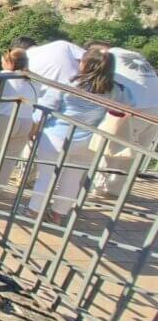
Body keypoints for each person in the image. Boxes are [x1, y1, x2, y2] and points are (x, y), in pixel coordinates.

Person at [26, 48, 131, 223]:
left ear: (85, 64)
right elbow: (126, 107)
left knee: (46, 175)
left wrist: (34, 128)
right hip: (89, 140)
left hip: (56, 136)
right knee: (73, 180)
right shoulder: (116, 90)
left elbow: (45, 108)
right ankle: (58, 215)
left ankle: (34, 211)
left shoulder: (68, 82)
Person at [98, 46, 158, 196]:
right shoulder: (130, 54)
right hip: (155, 106)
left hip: (135, 106)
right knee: (137, 151)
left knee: (111, 145)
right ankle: (117, 190)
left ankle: (97, 186)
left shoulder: (108, 57)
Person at [0, 48, 38, 188]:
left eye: (3, 62)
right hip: (26, 120)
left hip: (4, 117)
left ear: (9, 62)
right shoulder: (32, 80)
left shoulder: (5, 75)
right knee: (10, 157)